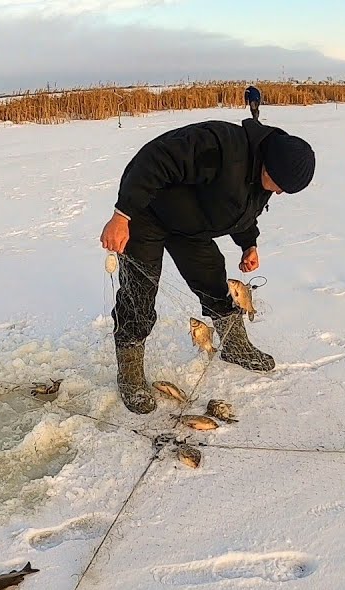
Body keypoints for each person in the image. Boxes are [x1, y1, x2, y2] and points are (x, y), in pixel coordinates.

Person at [99, 116, 316, 414]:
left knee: (214, 281)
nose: (277, 192)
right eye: (278, 186)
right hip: (146, 214)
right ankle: (130, 373)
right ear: (268, 165)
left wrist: (248, 242)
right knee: (139, 293)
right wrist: (122, 215)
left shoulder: (264, 171)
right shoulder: (218, 145)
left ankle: (234, 345)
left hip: (190, 226)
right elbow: (153, 160)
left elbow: (241, 207)